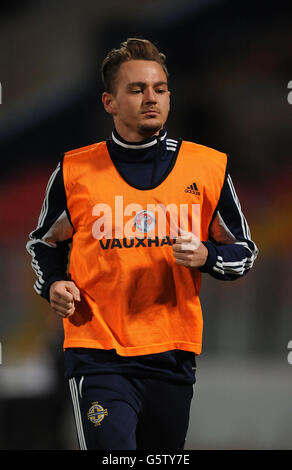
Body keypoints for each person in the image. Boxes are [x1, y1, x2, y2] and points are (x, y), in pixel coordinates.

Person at [26, 38, 258, 451]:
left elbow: (244, 252)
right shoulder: (75, 170)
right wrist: (54, 283)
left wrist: (208, 256)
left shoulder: (207, 167)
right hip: (97, 353)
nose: (151, 98)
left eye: (160, 89)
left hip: (173, 353)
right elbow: (45, 242)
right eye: (136, 89)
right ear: (109, 102)